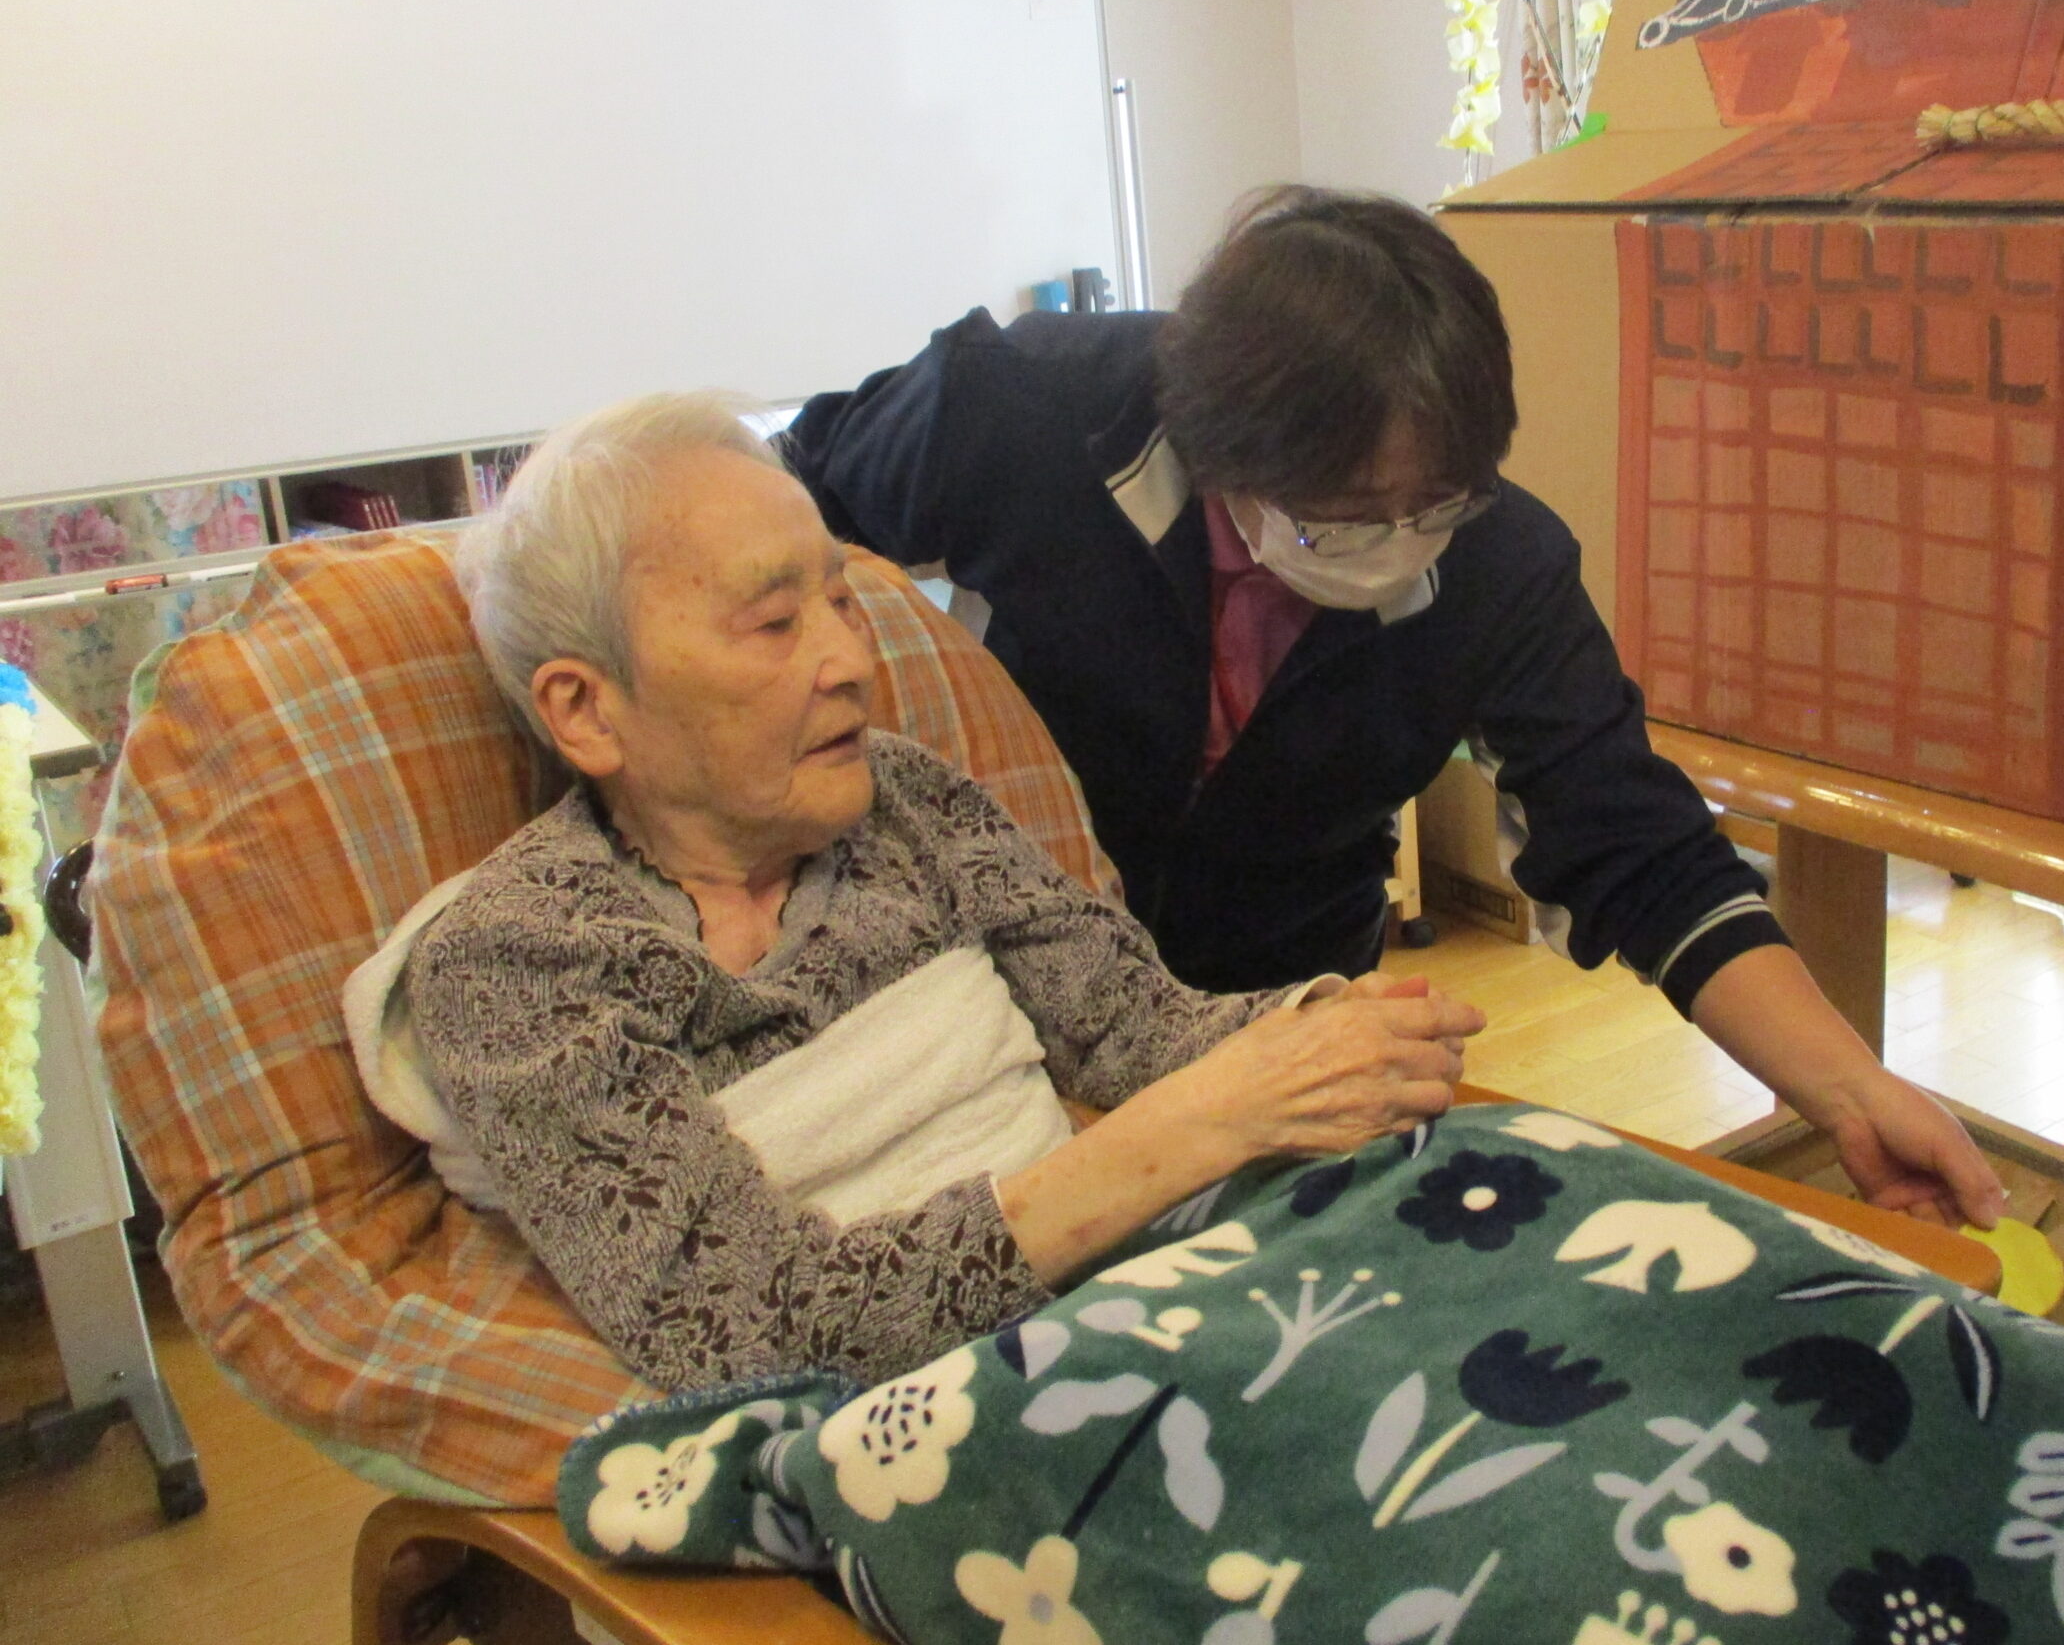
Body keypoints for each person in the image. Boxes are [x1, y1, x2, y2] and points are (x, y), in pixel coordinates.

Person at [786, 187, 2005, 1231]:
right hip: (990, 998)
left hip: (1276, 1018)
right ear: (1222, 452)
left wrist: (1851, 1092)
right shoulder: (1020, 412)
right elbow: (781, 525)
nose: (1401, 542)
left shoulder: (1499, 564)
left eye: (1436, 503)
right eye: (1350, 517)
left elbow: (1640, 849)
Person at [400, 393, 1482, 1392]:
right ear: (586, 711)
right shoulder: (517, 961)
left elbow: (1126, 1025)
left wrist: (1319, 1033)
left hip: (1132, 1304)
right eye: (775, 624)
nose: (849, 660)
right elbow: (746, 1330)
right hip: (930, 1419)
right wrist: (1195, 1125)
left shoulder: (904, 799)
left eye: (843, 601)